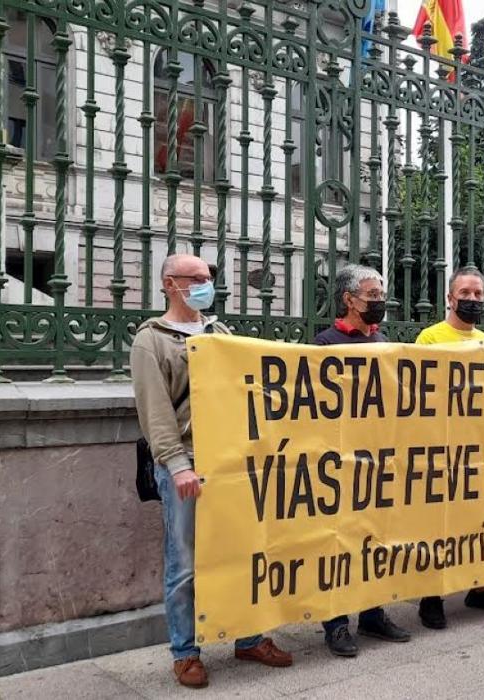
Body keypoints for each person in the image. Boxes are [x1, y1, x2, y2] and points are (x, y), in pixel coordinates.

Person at [131, 254, 293, 689]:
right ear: (170, 284)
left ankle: (249, 637)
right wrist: (177, 465)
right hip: (185, 465)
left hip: (229, 462)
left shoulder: (219, 333)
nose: (207, 285)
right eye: (197, 278)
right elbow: (155, 411)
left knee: (243, 552)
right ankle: (185, 653)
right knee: (184, 563)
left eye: (209, 278)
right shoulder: (151, 340)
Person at [414, 267, 484, 629]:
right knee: (438, 524)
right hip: (441, 445)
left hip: (478, 447)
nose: (472, 299)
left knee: (480, 518)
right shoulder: (430, 337)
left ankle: (483, 587)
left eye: (478, 294)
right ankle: (431, 597)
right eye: (465, 293)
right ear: (450, 298)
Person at [313, 263, 413, 656]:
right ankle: (336, 623)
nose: (379, 302)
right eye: (372, 295)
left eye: (381, 295)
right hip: (341, 460)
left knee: (376, 538)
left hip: (380, 458)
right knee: (339, 541)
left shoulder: (383, 342)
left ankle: (373, 614)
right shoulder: (325, 343)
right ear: (349, 300)